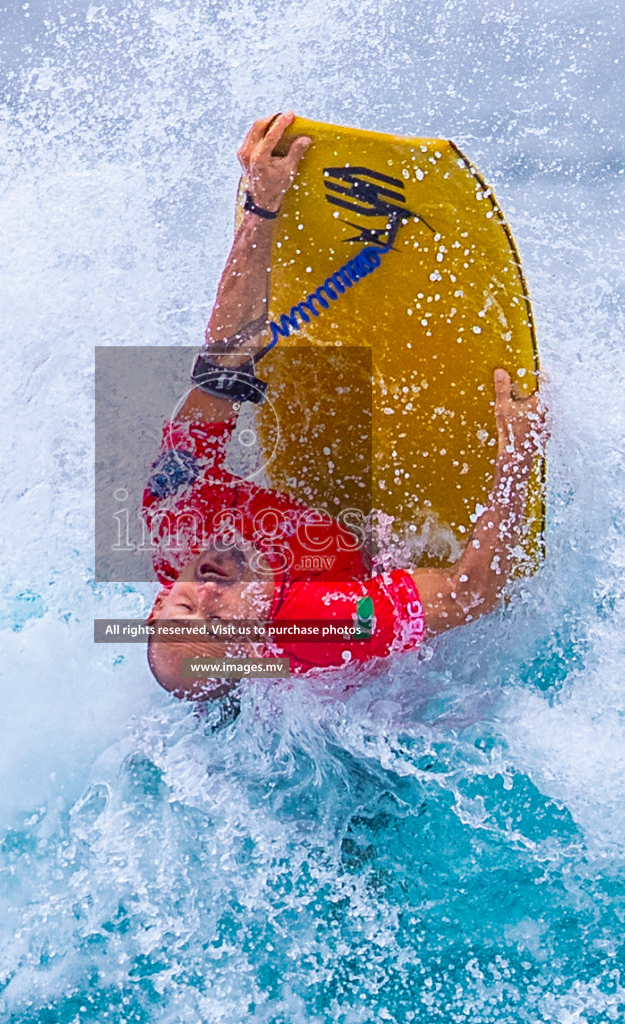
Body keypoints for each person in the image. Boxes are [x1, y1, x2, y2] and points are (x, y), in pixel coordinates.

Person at [144, 112, 545, 700]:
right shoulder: (322, 626)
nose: (205, 596)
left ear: (158, 601)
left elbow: (221, 366)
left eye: (184, 609)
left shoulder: (174, 511)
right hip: (360, 679)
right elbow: (471, 594)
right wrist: (518, 458)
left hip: (315, 537)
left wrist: (262, 209)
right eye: (221, 620)